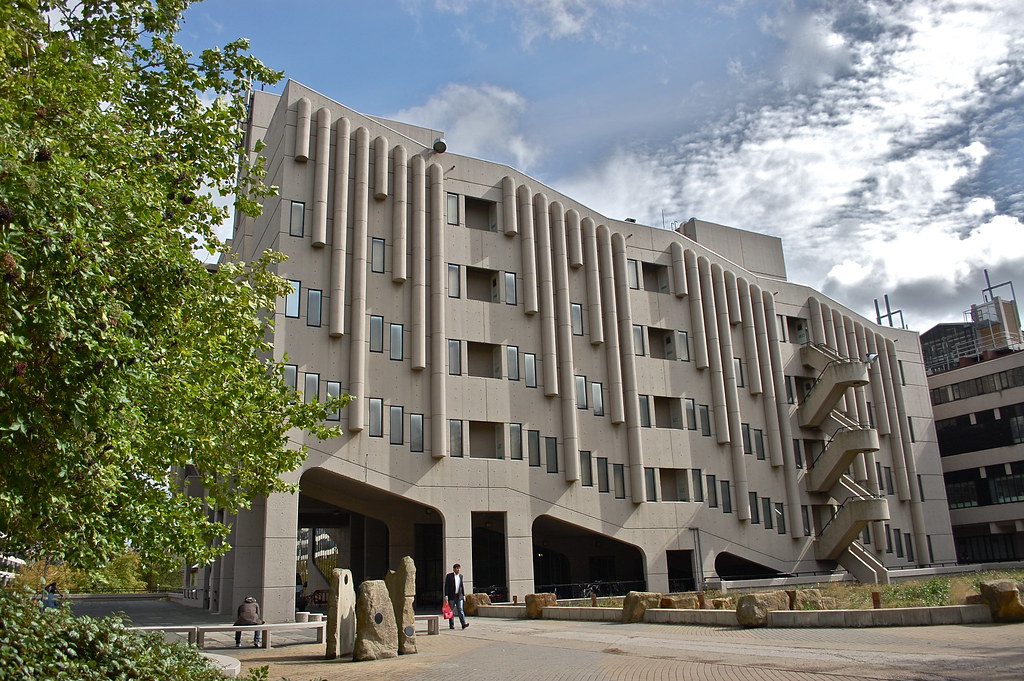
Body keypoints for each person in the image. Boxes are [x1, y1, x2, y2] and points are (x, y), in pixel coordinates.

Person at [443, 563, 468, 630]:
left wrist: (463, 595)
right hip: (451, 596)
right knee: (451, 611)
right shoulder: (449, 576)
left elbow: (461, 586)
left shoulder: (461, 576)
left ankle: (463, 624)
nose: (458, 570)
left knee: (460, 609)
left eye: (459, 568)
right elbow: (446, 586)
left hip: (459, 596)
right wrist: (446, 596)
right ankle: (451, 625)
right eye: (457, 568)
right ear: (454, 569)